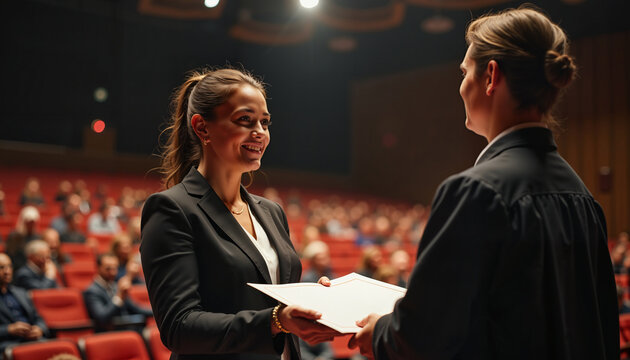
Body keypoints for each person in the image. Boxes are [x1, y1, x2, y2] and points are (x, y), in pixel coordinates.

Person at [349, 6, 618, 359]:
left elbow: (421, 338)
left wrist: (381, 332)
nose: (461, 86)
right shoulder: (584, 198)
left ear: (491, 76)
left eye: (464, 72)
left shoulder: (476, 191)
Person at [140, 68, 338, 360]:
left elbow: (271, 296)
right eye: (245, 120)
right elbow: (179, 327)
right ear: (202, 127)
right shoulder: (172, 209)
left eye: (265, 122)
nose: (259, 131)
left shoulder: (271, 212)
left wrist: (310, 300)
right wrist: (276, 320)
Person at [83, 253, 152, 332]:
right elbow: (102, 318)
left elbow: (135, 309)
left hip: (128, 328)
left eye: (115, 268)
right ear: (98, 268)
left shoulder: (115, 286)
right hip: (110, 333)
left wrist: (157, 312)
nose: (113, 272)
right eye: (108, 269)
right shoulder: (91, 291)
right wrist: (119, 297)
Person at [0, 253, 49, 353]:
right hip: (7, 344)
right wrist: (8, 329)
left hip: (31, 339)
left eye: (9, 266)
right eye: (1, 267)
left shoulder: (21, 292)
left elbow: (39, 318)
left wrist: (39, 329)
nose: (7, 271)